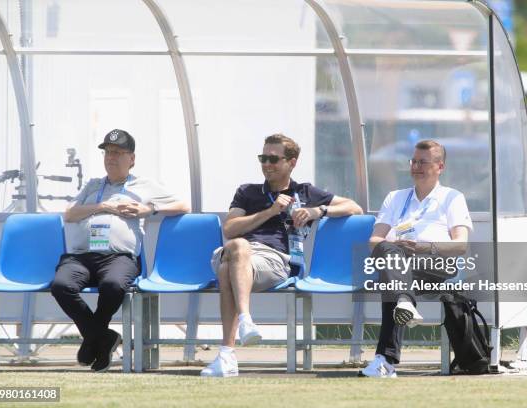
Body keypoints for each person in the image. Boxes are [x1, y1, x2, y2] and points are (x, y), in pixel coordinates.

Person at [201, 133, 363, 377]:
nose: (266, 164)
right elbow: (229, 228)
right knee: (238, 246)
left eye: (273, 159)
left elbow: (355, 207)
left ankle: (227, 355)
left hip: (274, 261)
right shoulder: (247, 191)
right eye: (263, 158)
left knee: (227, 269)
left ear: (292, 162)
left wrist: (318, 211)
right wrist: (270, 211)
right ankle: (245, 319)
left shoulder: (304, 191)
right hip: (235, 251)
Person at [50, 129, 190, 372]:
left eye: (117, 153)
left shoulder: (144, 185)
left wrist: (150, 209)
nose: (110, 158)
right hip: (82, 256)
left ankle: (94, 338)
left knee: (113, 286)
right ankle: (102, 337)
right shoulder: (93, 186)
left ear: (132, 159)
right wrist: (102, 206)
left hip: (119, 257)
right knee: (61, 286)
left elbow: (184, 205)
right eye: (107, 152)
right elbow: (70, 214)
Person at [361, 139, 473, 378]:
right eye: (413, 161)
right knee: (391, 257)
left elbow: (461, 245)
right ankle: (404, 302)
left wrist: (424, 247)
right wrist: (396, 245)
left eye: (423, 162)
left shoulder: (452, 197)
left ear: (439, 167)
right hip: (400, 264)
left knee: (392, 274)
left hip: (436, 264)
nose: (416, 166)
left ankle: (386, 360)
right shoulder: (395, 197)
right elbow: (373, 241)